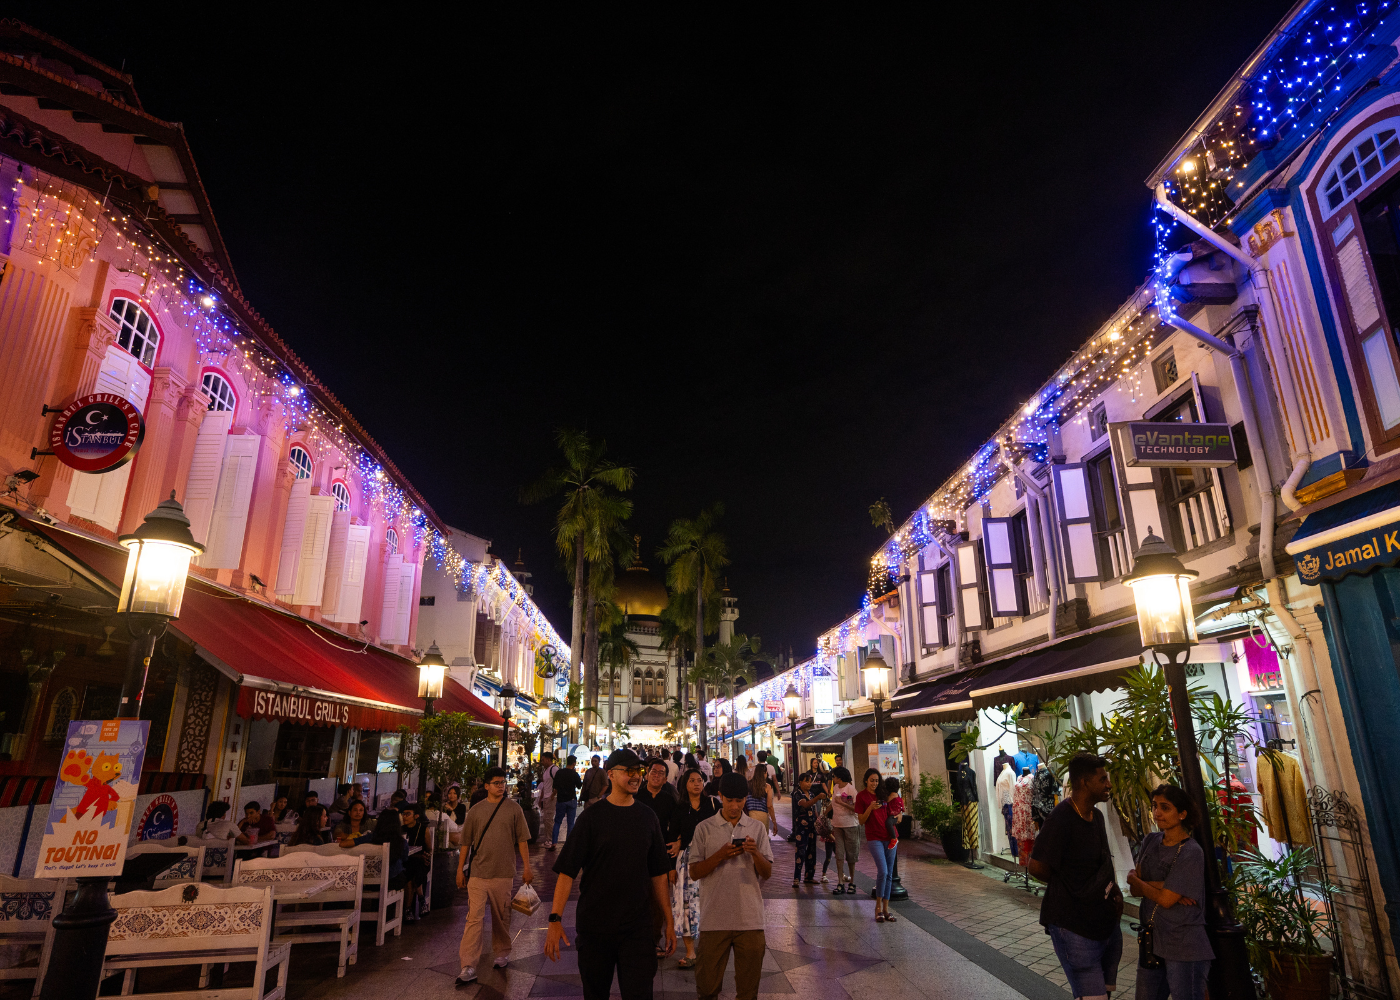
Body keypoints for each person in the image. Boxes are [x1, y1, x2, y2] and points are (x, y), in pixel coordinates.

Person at [545, 748, 675, 1000]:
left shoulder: (648, 817)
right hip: (596, 927)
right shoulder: (591, 818)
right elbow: (567, 872)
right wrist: (554, 919)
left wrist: (669, 921)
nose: (636, 776)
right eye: (629, 771)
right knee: (595, 994)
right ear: (611, 775)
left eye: (639, 771)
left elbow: (658, 873)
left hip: (637, 927)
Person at [1028, 752, 1125, 1000]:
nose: (1108, 785)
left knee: (1104, 993)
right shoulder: (1061, 818)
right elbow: (1037, 866)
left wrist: (1114, 890)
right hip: (1073, 926)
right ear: (1084, 782)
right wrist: (1070, 884)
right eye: (1103, 779)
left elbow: (1104, 860)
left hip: (1103, 924)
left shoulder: (1097, 817)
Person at [689, 771, 773, 1000]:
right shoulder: (704, 828)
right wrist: (719, 856)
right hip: (713, 919)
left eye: (740, 800)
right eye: (729, 800)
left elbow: (767, 872)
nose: (734, 806)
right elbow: (694, 872)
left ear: (746, 799)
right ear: (720, 797)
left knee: (748, 991)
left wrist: (755, 853)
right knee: (707, 989)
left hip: (750, 920)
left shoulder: (756, 828)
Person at [1127, 784, 1213, 999]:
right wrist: (1169, 886)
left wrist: (1149, 886)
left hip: (1184, 943)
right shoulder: (1150, 840)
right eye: (1155, 806)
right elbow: (1135, 888)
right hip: (1152, 939)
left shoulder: (1191, 851)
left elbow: (1164, 900)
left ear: (1182, 814)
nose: (1157, 813)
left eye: (1165, 808)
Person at [455, 766, 533, 984]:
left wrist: (527, 867)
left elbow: (522, 840)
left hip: (503, 872)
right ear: (487, 786)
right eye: (497, 783)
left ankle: (501, 952)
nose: (501, 786)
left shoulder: (514, 809)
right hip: (478, 873)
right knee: (474, 919)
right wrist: (460, 869)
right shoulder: (476, 811)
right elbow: (466, 842)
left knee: (501, 917)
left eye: (503, 782)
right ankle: (468, 965)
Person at [666, 768, 719, 969]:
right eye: (692, 780)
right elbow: (672, 839)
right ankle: (690, 952)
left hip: (709, 859)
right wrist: (671, 867)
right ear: (685, 784)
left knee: (708, 902)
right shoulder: (679, 809)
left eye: (699, 780)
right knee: (686, 905)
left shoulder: (712, 805)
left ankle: (710, 948)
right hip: (686, 862)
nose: (697, 784)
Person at [855, 769, 895, 921]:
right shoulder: (861, 796)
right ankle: (877, 907)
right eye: (872, 780)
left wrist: (898, 815)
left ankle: (886, 909)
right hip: (874, 838)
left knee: (889, 874)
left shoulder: (883, 794)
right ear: (866, 780)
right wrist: (870, 808)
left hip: (890, 837)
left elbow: (893, 811)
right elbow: (861, 821)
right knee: (883, 871)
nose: (874, 783)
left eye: (877, 780)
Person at [828, 766, 861, 895]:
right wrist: (825, 814)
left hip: (851, 825)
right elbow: (833, 803)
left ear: (839, 777)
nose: (833, 778)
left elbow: (855, 808)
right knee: (839, 854)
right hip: (837, 824)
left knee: (851, 854)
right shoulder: (836, 788)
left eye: (834, 776)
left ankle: (852, 882)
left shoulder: (851, 790)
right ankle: (840, 882)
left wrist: (842, 803)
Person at [791, 771, 828, 886]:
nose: (809, 784)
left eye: (810, 781)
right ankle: (796, 878)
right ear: (800, 782)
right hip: (801, 828)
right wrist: (818, 797)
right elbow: (806, 804)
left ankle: (809, 876)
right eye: (806, 781)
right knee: (800, 852)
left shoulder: (811, 794)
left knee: (811, 852)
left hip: (812, 827)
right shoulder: (797, 794)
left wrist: (819, 821)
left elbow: (814, 811)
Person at [400, 801, 431, 918]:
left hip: (421, 860)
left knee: (413, 871)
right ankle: (422, 900)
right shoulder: (401, 830)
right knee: (411, 870)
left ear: (416, 816)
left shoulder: (423, 829)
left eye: (408, 814)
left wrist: (427, 856)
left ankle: (408, 909)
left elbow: (429, 848)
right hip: (407, 861)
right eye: (403, 814)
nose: (404, 817)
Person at [637, 757, 677, 835]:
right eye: (654, 772)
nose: (656, 775)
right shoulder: (637, 796)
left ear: (665, 779)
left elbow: (674, 823)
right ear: (647, 775)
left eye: (661, 773)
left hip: (662, 841)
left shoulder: (669, 799)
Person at [552, 755, 583, 844]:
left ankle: (554, 842)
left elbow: (555, 786)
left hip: (561, 800)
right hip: (571, 800)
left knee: (557, 822)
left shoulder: (559, 773)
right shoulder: (574, 774)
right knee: (570, 823)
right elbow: (579, 786)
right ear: (574, 763)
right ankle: (569, 844)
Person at [745, 771, 777, 837]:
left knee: (750, 840)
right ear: (764, 773)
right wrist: (774, 822)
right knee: (762, 841)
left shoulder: (748, 784)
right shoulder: (767, 786)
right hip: (762, 816)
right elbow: (769, 805)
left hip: (749, 815)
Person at [539, 752, 560, 849]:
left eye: (543, 760)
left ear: (548, 759)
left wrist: (553, 795)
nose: (542, 762)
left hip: (550, 798)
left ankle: (550, 840)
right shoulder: (546, 770)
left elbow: (559, 782)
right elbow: (544, 786)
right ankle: (549, 839)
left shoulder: (554, 769)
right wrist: (541, 798)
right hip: (546, 798)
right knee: (546, 819)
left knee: (549, 819)